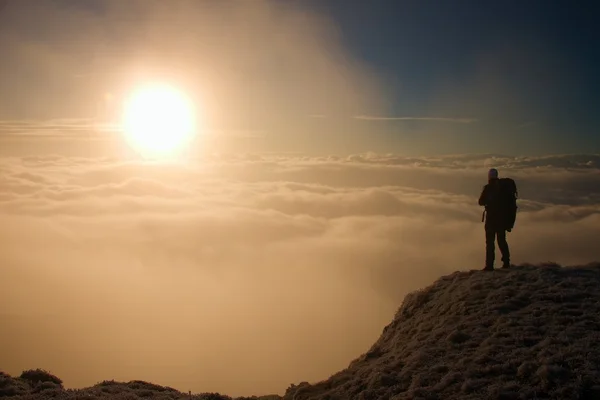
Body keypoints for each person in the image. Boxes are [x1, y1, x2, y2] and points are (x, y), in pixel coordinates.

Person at [478, 168, 511, 270]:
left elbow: (480, 202)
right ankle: (506, 262)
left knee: (490, 243)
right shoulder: (503, 188)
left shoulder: (487, 188)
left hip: (491, 220)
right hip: (501, 220)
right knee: (501, 241)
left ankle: (489, 265)